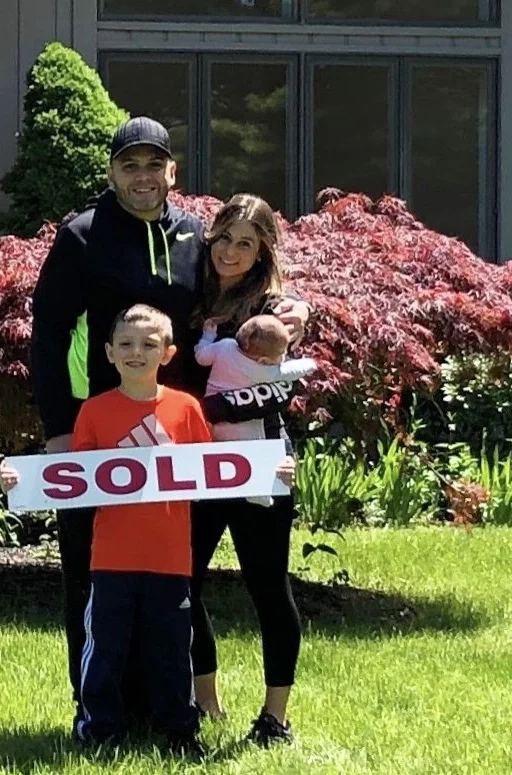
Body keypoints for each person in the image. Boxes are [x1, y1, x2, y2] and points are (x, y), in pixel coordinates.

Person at [29, 116, 310, 720]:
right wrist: (59, 427)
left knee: (166, 574)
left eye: (154, 165)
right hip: (101, 433)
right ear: (111, 172)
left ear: (171, 172)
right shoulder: (81, 235)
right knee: (95, 570)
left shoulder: (192, 236)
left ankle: (165, 701)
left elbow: (243, 292)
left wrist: (291, 308)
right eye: (129, 165)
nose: (142, 177)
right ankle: (96, 704)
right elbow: (48, 337)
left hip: (187, 437)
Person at [2, 305, 297, 756]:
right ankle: (99, 729)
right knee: (105, 649)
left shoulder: (186, 409)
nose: (135, 352)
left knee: (172, 650)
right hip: (111, 560)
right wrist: (23, 482)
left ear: (168, 353)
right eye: (125, 344)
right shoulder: (95, 413)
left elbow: (215, 472)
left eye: (148, 344)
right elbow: (76, 481)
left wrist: (270, 471)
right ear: (108, 352)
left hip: (171, 558)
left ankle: (180, 730)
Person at [190, 193, 309, 746]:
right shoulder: (193, 286)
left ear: (263, 251)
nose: (230, 252)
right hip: (194, 463)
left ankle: (275, 718)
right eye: (224, 238)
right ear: (210, 236)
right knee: (182, 582)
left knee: (267, 585)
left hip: (261, 465)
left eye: (246, 243)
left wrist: (298, 309)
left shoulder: (276, 310)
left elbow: (276, 390)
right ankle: (205, 704)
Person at [194, 313, 317, 506]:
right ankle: (257, 490)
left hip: (212, 418)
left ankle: (200, 491)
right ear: (263, 360)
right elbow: (289, 372)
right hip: (241, 426)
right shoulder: (264, 370)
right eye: (281, 355)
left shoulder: (224, 346)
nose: (283, 358)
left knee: (212, 457)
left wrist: (208, 336)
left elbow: (201, 356)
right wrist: (309, 364)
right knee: (253, 450)